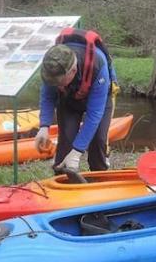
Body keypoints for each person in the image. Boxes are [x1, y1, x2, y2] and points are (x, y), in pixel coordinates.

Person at [34, 29, 117, 173]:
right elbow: (48, 96)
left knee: (98, 140)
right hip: (69, 99)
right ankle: (61, 179)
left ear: (72, 71)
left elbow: (94, 114)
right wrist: (44, 126)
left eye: (60, 82)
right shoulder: (51, 67)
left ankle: (100, 177)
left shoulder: (98, 65)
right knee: (66, 139)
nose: (57, 86)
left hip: (99, 97)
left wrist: (77, 151)